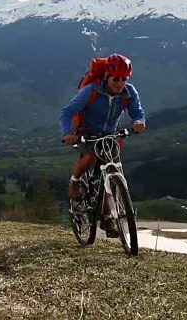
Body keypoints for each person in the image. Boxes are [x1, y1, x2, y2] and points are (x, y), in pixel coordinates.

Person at [59, 53, 146, 237]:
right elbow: (66, 113)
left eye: (124, 79)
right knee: (90, 157)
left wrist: (139, 121)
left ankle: (107, 219)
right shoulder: (90, 91)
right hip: (87, 133)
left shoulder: (129, 93)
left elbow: (137, 112)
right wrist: (68, 133)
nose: (120, 83)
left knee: (112, 175)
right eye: (116, 79)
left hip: (110, 136)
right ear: (107, 76)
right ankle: (74, 182)